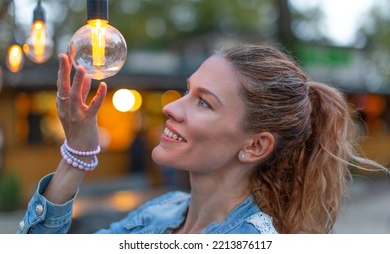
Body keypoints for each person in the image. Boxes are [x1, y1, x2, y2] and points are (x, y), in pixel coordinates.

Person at [16, 44, 387, 234]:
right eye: (187, 90)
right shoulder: (163, 211)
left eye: (204, 103)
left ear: (255, 146)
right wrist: (77, 154)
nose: (172, 108)